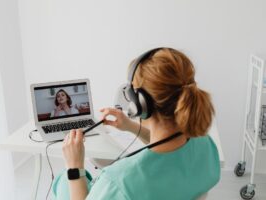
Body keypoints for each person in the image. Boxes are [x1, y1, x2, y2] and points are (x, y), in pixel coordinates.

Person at [52, 48, 220, 200]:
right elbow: (167, 148)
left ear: (141, 104)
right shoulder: (206, 145)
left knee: (63, 180)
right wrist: (131, 126)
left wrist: (74, 166)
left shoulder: (118, 183)